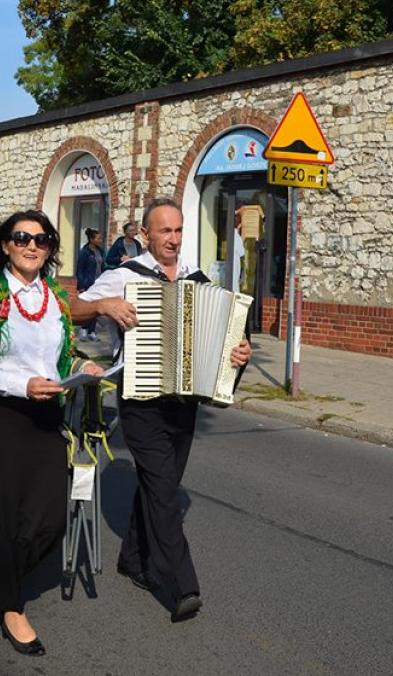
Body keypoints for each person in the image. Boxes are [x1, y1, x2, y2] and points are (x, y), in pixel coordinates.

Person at [73, 197, 252, 621]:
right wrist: (102, 306)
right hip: (140, 401)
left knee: (161, 484)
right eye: (164, 231)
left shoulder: (198, 279)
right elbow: (72, 308)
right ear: (146, 234)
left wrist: (238, 351)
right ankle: (182, 583)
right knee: (165, 492)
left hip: (185, 402)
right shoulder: (123, 276)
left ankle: (132, 559)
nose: (172, 239)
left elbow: (228, 336)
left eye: (178, 230)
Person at [0, 209, 103, 657]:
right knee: (3, 515)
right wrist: (19, 385)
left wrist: (82, 368)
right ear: (5, 245)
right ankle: (11, 606)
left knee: (50, 515)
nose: (32, 246)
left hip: (48, 415)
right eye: (22, 238)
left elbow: (59, 358)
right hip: (3, 414)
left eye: (42, 239)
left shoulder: (55, 295)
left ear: (50, 248)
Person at [75, 228, 105, 341]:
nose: (101, 240)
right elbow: (80, 269)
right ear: (91, 239)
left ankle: (92, 331)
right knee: (86, 308)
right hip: (88, 283)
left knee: (95, 308)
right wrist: (81, 286)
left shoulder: (100, 251)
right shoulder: (85, 252)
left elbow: (103, 266)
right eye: (98, 238)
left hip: (98, 283)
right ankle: (83, 329)